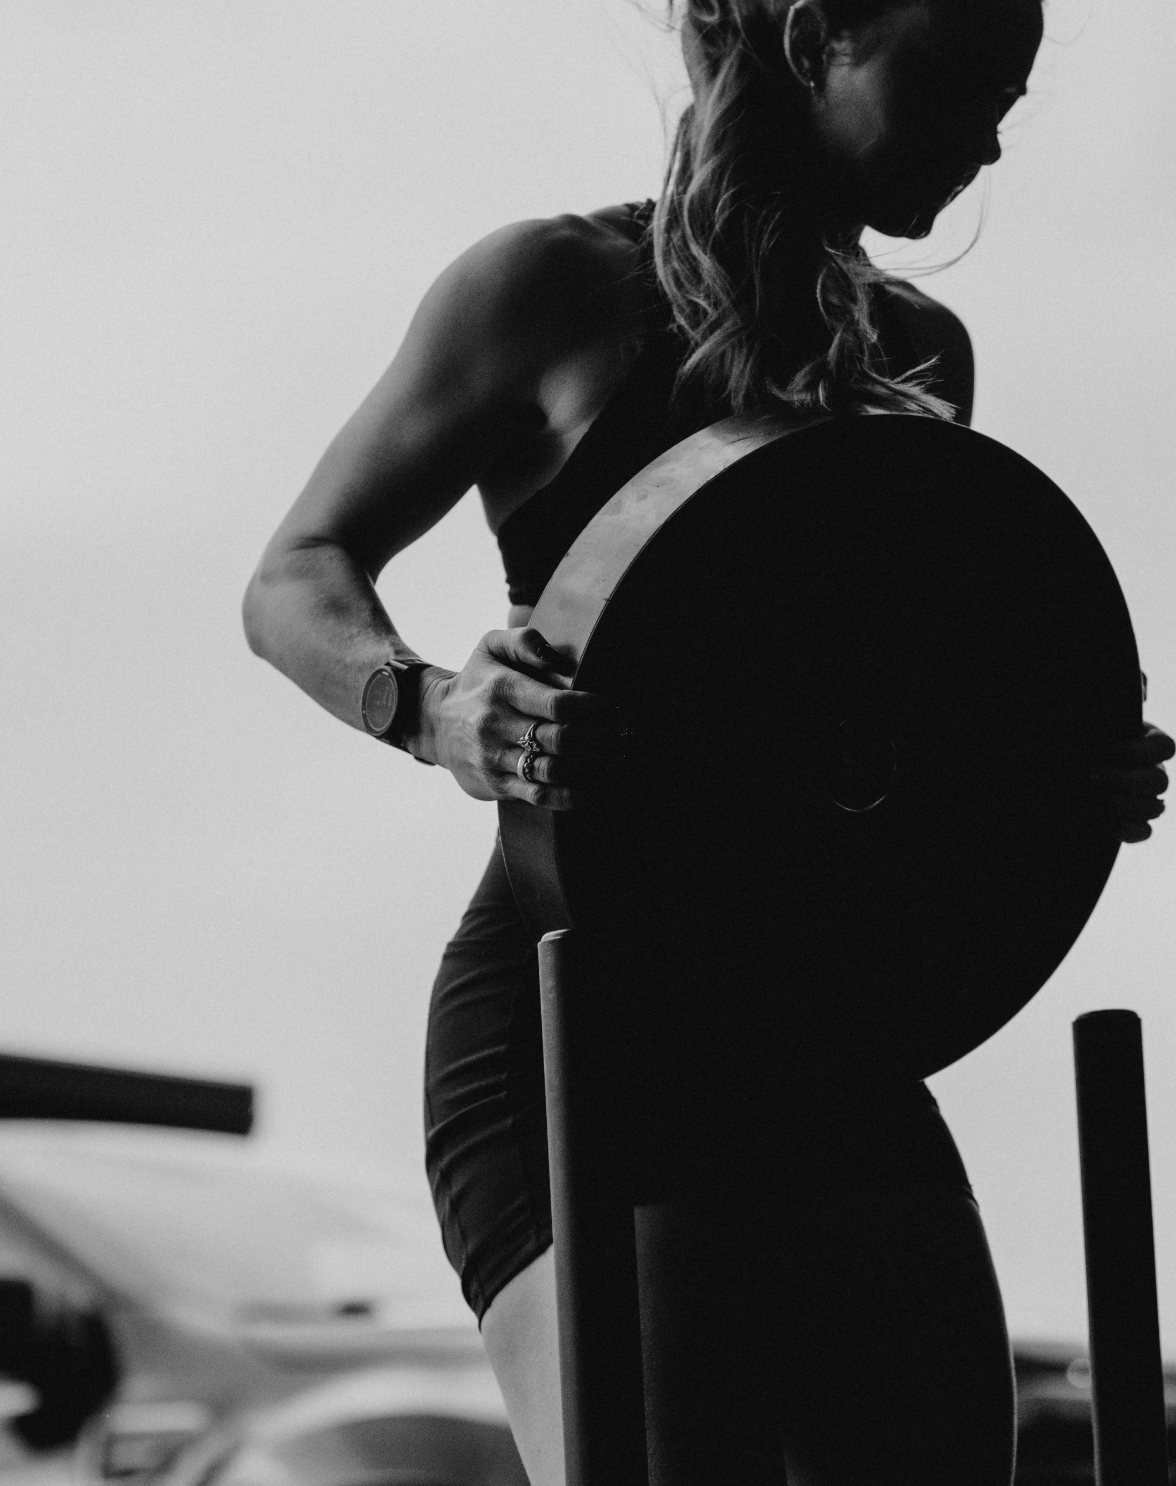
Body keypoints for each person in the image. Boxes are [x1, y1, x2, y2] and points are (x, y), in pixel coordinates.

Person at [243, 1, 1174, 1480]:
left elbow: (879, 741)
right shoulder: (550, 287)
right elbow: (295, 574)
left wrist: (1063, 774)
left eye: (1007, 101)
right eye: (951, 84)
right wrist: (429, 706)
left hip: (824, 1038)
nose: (987, 141)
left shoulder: (922, 357)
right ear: (815, 41)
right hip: (576, 1028)